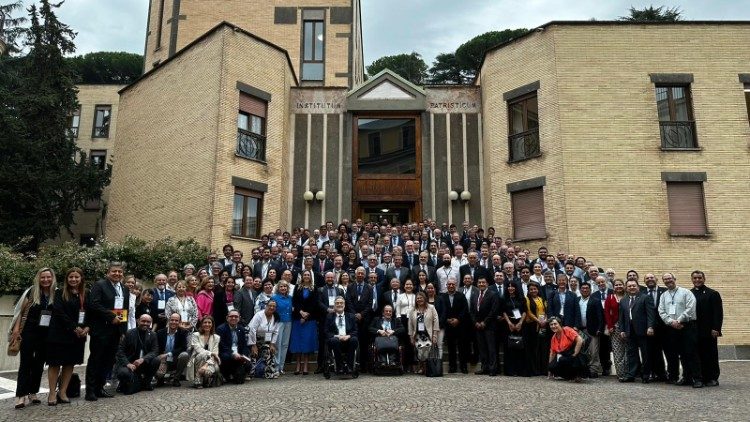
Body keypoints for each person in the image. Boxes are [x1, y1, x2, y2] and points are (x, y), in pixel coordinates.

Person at [11, 268, 56, 409]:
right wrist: (16, 329)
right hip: (29, 331)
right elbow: (20, 311)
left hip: (46, 333)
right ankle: (20, 395)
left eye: (48, 277)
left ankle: (33, 392)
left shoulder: (56, 292)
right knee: (25, 363)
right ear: (38, 278)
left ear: (52, 278)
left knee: (39, 364)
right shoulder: (31, 291)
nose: (46, 280)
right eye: (43, 277)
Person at [85, 262, 129, 402]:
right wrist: (111, 316)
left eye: (120, 272)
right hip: (101, 329)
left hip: (116, 331)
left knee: (108, 361)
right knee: (96, 359)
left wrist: (123, 330)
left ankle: (100, 387)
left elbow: (125, 310)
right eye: (114, 271)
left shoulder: (124, 288)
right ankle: (90, 390)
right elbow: (94, 304)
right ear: (108, 272)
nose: (117, 274)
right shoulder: (100, 285)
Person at [46, 268, 88, 405]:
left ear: (81, 278)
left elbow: (91, 313)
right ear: (67, 279)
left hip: (77, 336)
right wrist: (74, 327)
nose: (74, 279)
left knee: (70, 363)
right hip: (59, 334)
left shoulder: (86, 294)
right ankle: (52, 393)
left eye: (76, 277)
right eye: (71, 277)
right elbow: (59, 312)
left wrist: (87, 327)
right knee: (55, 363)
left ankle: (62, 391)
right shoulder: (59, 292)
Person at [658, 273, 702, 387]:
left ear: (674, 279)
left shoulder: (686, 292)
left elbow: (691, 308)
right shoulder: (663, 296)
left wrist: (679, 320)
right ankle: (686, 377)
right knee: (679, 353)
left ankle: (697, 379)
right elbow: (661, 311)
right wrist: (671, 322)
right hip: (672, 328)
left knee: (691, 353)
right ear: (663, 282)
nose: (668, 281)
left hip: (687, 326)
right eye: (665, 279)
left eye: (670, 278)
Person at [618, 280, 656, 383]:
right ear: (626, 288)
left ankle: (646, 375)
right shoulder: (623, 300)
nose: (632, 288)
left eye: (634, 286)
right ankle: (631, 375)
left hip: (644, 331)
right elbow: (621, 317)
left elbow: (651, 314)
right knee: (631, 353)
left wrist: (650, 327)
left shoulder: (645, 297)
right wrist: (622, 330)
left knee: (646, 354)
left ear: (638, 287)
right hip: (629, 331)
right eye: (629, 286)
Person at [690, 270, 723, 387]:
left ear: (704, 279)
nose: (697, 280)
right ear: (692, 279)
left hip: (709, 331)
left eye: (699, 278)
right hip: (694, 331)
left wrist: (716, 328)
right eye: (695, 278)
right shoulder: (689, 293)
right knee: (697, 355)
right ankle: (701, 377)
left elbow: (718, 313)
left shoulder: (712, 293)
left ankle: (713, 377)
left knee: (711, 354)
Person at [115, 314, 159, 395]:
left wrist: (143, 359)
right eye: (143, 321)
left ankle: (146, 383)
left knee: (156, 360)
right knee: (123, 373)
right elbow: (120, 351)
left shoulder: (153, 335)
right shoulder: (129, 333)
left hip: (143, 364)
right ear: (138, 321)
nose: (145, 323)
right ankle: (128, 383)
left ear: (151, 323)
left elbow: (155, 351)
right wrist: (128, 364)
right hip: (130, 364)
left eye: (148, 322)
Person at [437, 277, 470, 373]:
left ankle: (463, 366)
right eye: (449, 284)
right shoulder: (442, 297)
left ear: (456, 285)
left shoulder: (461, 296)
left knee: (462, 347)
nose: (451, 286)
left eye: (453, 284)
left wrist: (458, 319)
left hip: (460, 325)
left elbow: (465, 309)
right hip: (448, 325)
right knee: (451, 347)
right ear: (446, 286)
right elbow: (441, 310)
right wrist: (447, 319)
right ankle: (452, 367)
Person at [290, 270, 319, 375]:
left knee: (307, 342)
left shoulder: (314, 288)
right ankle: (298, 364)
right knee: (297, 342)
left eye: (308, 275)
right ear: (302, 277)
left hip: (310, 319)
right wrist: (301, 312)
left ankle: (306, 365)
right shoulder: (297, 288)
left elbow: (314, 303)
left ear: (310, 277)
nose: (306, 276)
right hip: (298, 318)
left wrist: (306, 315)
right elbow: (295, 301)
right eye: (304, 275)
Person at [346, 267, 374, 372]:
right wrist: (354, 314)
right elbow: (348, 301)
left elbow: (370, 304)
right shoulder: (350, 286)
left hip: (365, 319)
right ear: (355, 275)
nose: (360, 275)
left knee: (364, 343)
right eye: (358, 273)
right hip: (352, 319)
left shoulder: (369, 288)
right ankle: (351, 364)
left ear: (365, 275)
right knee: (352, 341)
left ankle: (363, 366)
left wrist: (361, 314)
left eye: (362, 273)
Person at [471, 276, 499, 376]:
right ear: (477, 284)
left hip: (489, 326)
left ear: (487, 284)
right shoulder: (474, 295)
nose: (481, 284)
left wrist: (485, 322)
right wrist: (475, 322)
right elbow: (472, 311)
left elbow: (494, 311)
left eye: (483, 282)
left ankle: (493, 368)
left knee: (491, 348)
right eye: (479, 283)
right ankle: (485, 367)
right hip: (478, 326)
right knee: (482, 348)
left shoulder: (493, 294)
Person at [216, 310, 253, 384]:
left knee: (248, 363)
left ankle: (237, 374)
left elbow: (244, 345)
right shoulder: (221, 329)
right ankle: (226, 375)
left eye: (236, 316)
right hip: (226, 352)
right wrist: (233, 353)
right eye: (231, 316)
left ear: (239, 318)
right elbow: (222, 346)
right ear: (227, 318)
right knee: (226, 357)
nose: (233, 318)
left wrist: (244, 355)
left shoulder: (241, 329)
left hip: (238, 353)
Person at [577, 282, 604, 378]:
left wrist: (600, 328)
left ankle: (593, 370)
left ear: (590, 290)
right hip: (579, 330)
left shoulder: (596, 300)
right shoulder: (577, 300)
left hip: (592, 330)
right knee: (581, 350)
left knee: (593, 351)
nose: (585, 290)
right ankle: (583, 369)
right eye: (583, 288)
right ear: (580, 290)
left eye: (587, 288)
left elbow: (600, 316)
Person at [325, 296, 358, 374]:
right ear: (334, 305)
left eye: (341, 303)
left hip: (348, 341)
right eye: (337, 303)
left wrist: (348, 336)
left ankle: (350, 367)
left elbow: (355, 331)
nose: (339, 305)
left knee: (354, 339)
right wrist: (338, 336)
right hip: (336, 341)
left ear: (344, 305)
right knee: (334, 340)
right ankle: (339, 367)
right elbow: (326, 332)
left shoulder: (351, 316)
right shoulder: (329, 316)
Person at [155, 312, 190, 387]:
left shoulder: (183, 333)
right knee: (159, 375)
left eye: (176, 320)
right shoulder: (160, 332)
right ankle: (160, 378)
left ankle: (176, 378)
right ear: (168, 320)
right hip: (162, 359)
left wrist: (168, 354)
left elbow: (183, 347)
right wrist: (161, 359)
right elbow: (156, 348)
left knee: (185, 355)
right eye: (172, 320)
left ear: (179, 322)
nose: (174, 322)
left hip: (175, 358)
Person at [409, 292, 440, 374]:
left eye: (421, 298)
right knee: (419, 351)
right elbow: (410, 324)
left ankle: (426, 367)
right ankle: (422, 366)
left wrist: (435, 335)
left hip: (428, 334)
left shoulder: (431, 307)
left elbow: (436, 321)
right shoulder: (413, 309)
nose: (419, 300)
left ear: (425, 298)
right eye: (418, 298)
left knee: (428, 349)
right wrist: (411, 336)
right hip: (418, 335)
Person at [248, 300, 280, 379]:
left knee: (269, 350)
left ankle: (269, 372)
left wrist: (272, 344)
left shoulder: (275, 317)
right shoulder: (259, 315)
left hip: (265, 339)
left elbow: (276, 332)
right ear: (266, 306)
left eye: (274, 306)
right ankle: (250, 373)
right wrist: (253, 345)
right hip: (252, 337)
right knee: (254, 353)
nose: (272, 307)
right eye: (270, 305)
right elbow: (252, 329)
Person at [187, 316, 221, 388]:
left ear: (212, 325)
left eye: (209, 322)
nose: (207, 324)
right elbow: (198, 349)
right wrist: (211, 353)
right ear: (201, 324)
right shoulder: (195, 335)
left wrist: (206, 365)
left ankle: (202, 377)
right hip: (197, 359)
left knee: (207, 372)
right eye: (205, 322)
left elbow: (215, 353)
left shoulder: (216, 337)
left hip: (211, 362)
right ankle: (198, 378)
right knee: (202, 354)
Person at [548, 317, 585, 382]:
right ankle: (567, 376)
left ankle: (577, 376)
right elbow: (552, 353)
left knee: (563, 359)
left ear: (560, 324)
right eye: (551, 324)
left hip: (574, 352)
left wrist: (574, 354)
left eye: (555, 324)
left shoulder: (567, 329)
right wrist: (550, 371)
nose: (553, 326)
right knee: (551, 366)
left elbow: (580, 340)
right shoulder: (553, 338)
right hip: (565, 354)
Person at [502, 282, 527, 376]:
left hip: (520, 324)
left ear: (516, 288)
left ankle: (520, 370)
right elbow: (503, 311)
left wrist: (520, 322)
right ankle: (510, 371)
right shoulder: (504, 299)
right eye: (508, 286)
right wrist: (509, 323)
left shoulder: (521, 298)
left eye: (512, 286)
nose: (510, 288)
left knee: (520, 348)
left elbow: (525, 311)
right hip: (509, 325)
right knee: (509, 348)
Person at [604, 278, 627, 378]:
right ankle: (620, 373)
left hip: (628, 326)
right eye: (616, 285)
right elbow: (607, 313)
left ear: (624, 285)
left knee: (628, 350)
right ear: (613, 287)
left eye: (620, 284)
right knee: (617, 351)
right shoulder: (610, 297)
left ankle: (629, 372)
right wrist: (609, 326)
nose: (618, 286)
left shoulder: (628, 296)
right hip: (615, 326)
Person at [524, 281, 548, 376]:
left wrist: (545, 320)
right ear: (528, 291)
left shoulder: (542, 299)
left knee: (541, 348)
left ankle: (542, 369)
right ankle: (533, 370)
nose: (533, 291)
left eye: (535, 289)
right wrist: (539, 321)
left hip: (543, 326)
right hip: (531, 326)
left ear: (538, 290)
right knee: (532, 349)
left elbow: (546, 310)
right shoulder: (527, 299)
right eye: (531, 289)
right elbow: (529, 312)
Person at [272, 280, 293, 373]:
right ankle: (276, 367)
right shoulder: (274, 298)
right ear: (278, 288)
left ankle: (281, 367)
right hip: (278, 323)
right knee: (278, 344)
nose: (283, 288)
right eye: (281, 286)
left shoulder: (290, 298)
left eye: (285, 286)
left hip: (288, 322)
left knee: (285, 345)